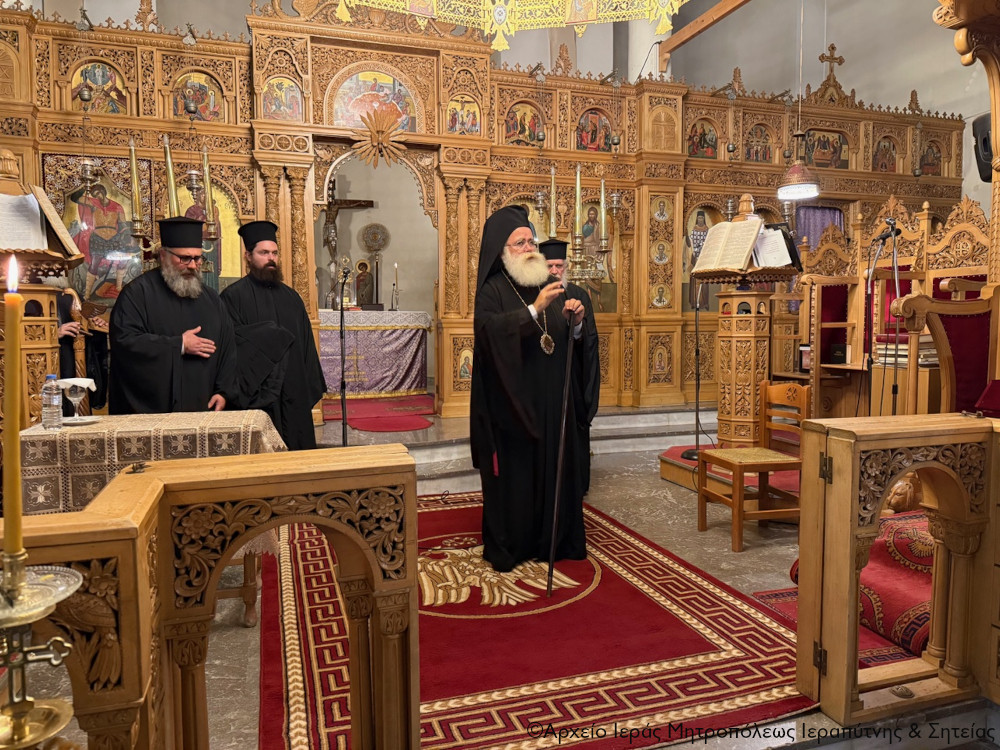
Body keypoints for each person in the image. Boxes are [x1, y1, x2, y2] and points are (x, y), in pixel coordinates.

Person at [471, 207, 600, 573]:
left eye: (531, 240)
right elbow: (489, 334)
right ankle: (515, 545)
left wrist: (575, 324)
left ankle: (556, 541)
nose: (529, 248)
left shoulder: (547, 284)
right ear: (502, 251)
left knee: (554, 473)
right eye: (520, 243)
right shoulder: (493, 290)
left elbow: (562, 340)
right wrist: (532, 310)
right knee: (518, 480)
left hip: (551, 403)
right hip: (513, 408)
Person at [109, 217, 236, 414]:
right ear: (163, 255)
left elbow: (228, 349)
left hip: (204, 407)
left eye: (197, 258)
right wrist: (179, 345)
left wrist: (223, 391)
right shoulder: (137, 294)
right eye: (184, 258)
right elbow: (125, 342)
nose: (193, 265)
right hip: (153, 412)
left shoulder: (211, 299)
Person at [222, 220, 326, 450]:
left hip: (294, 391)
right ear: (248, 256)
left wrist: (307, 385)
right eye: (263, 253)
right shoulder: (233, 297)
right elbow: (231, 347)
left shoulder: (292, 297)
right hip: (258, 394)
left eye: (274, 253)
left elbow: (306, 347)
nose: (271, 258)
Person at [541, 237, 600, 495]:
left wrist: (576, 325)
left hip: (570, 378)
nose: (555, 271)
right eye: (550, 266)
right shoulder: (534, 297)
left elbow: (589, 340)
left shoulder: (578, 295)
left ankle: (575, 484)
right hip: (543, 378)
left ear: (566, 267)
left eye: (559, 266)